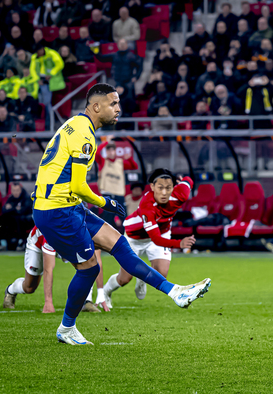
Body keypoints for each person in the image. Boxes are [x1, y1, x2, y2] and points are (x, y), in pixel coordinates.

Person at [32, 83, 211, 345]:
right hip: (56, 210)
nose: (119, 109)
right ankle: (66, 328)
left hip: (66, 205)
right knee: (89, 268)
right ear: (96, 106)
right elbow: (79, 186)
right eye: (113, 104)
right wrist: (105, 202)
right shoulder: (85, 137)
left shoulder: (76, 124)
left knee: (119, 243)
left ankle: (175, 293)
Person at [103, 169, 197, 307]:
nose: (164, 193)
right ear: (153, 188)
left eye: (168, 188)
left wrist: (184, 180)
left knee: (162, 274)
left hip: (162, 232)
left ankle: (142, 278)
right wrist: (179, 243)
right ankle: (106, 292)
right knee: (125, 279)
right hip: (135, 237)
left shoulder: (180, 194)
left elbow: (189, 181)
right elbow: (156, 239)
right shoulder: (147, 204)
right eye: (160, 188)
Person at [2, 226, 57, 313]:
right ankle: (11, 290)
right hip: (38, 243)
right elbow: (48, 269)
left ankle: (87, 300)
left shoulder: (80, 227)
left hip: (66, 240)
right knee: (30, 287)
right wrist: (48, 302)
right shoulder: (51, 230)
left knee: (83, 267)